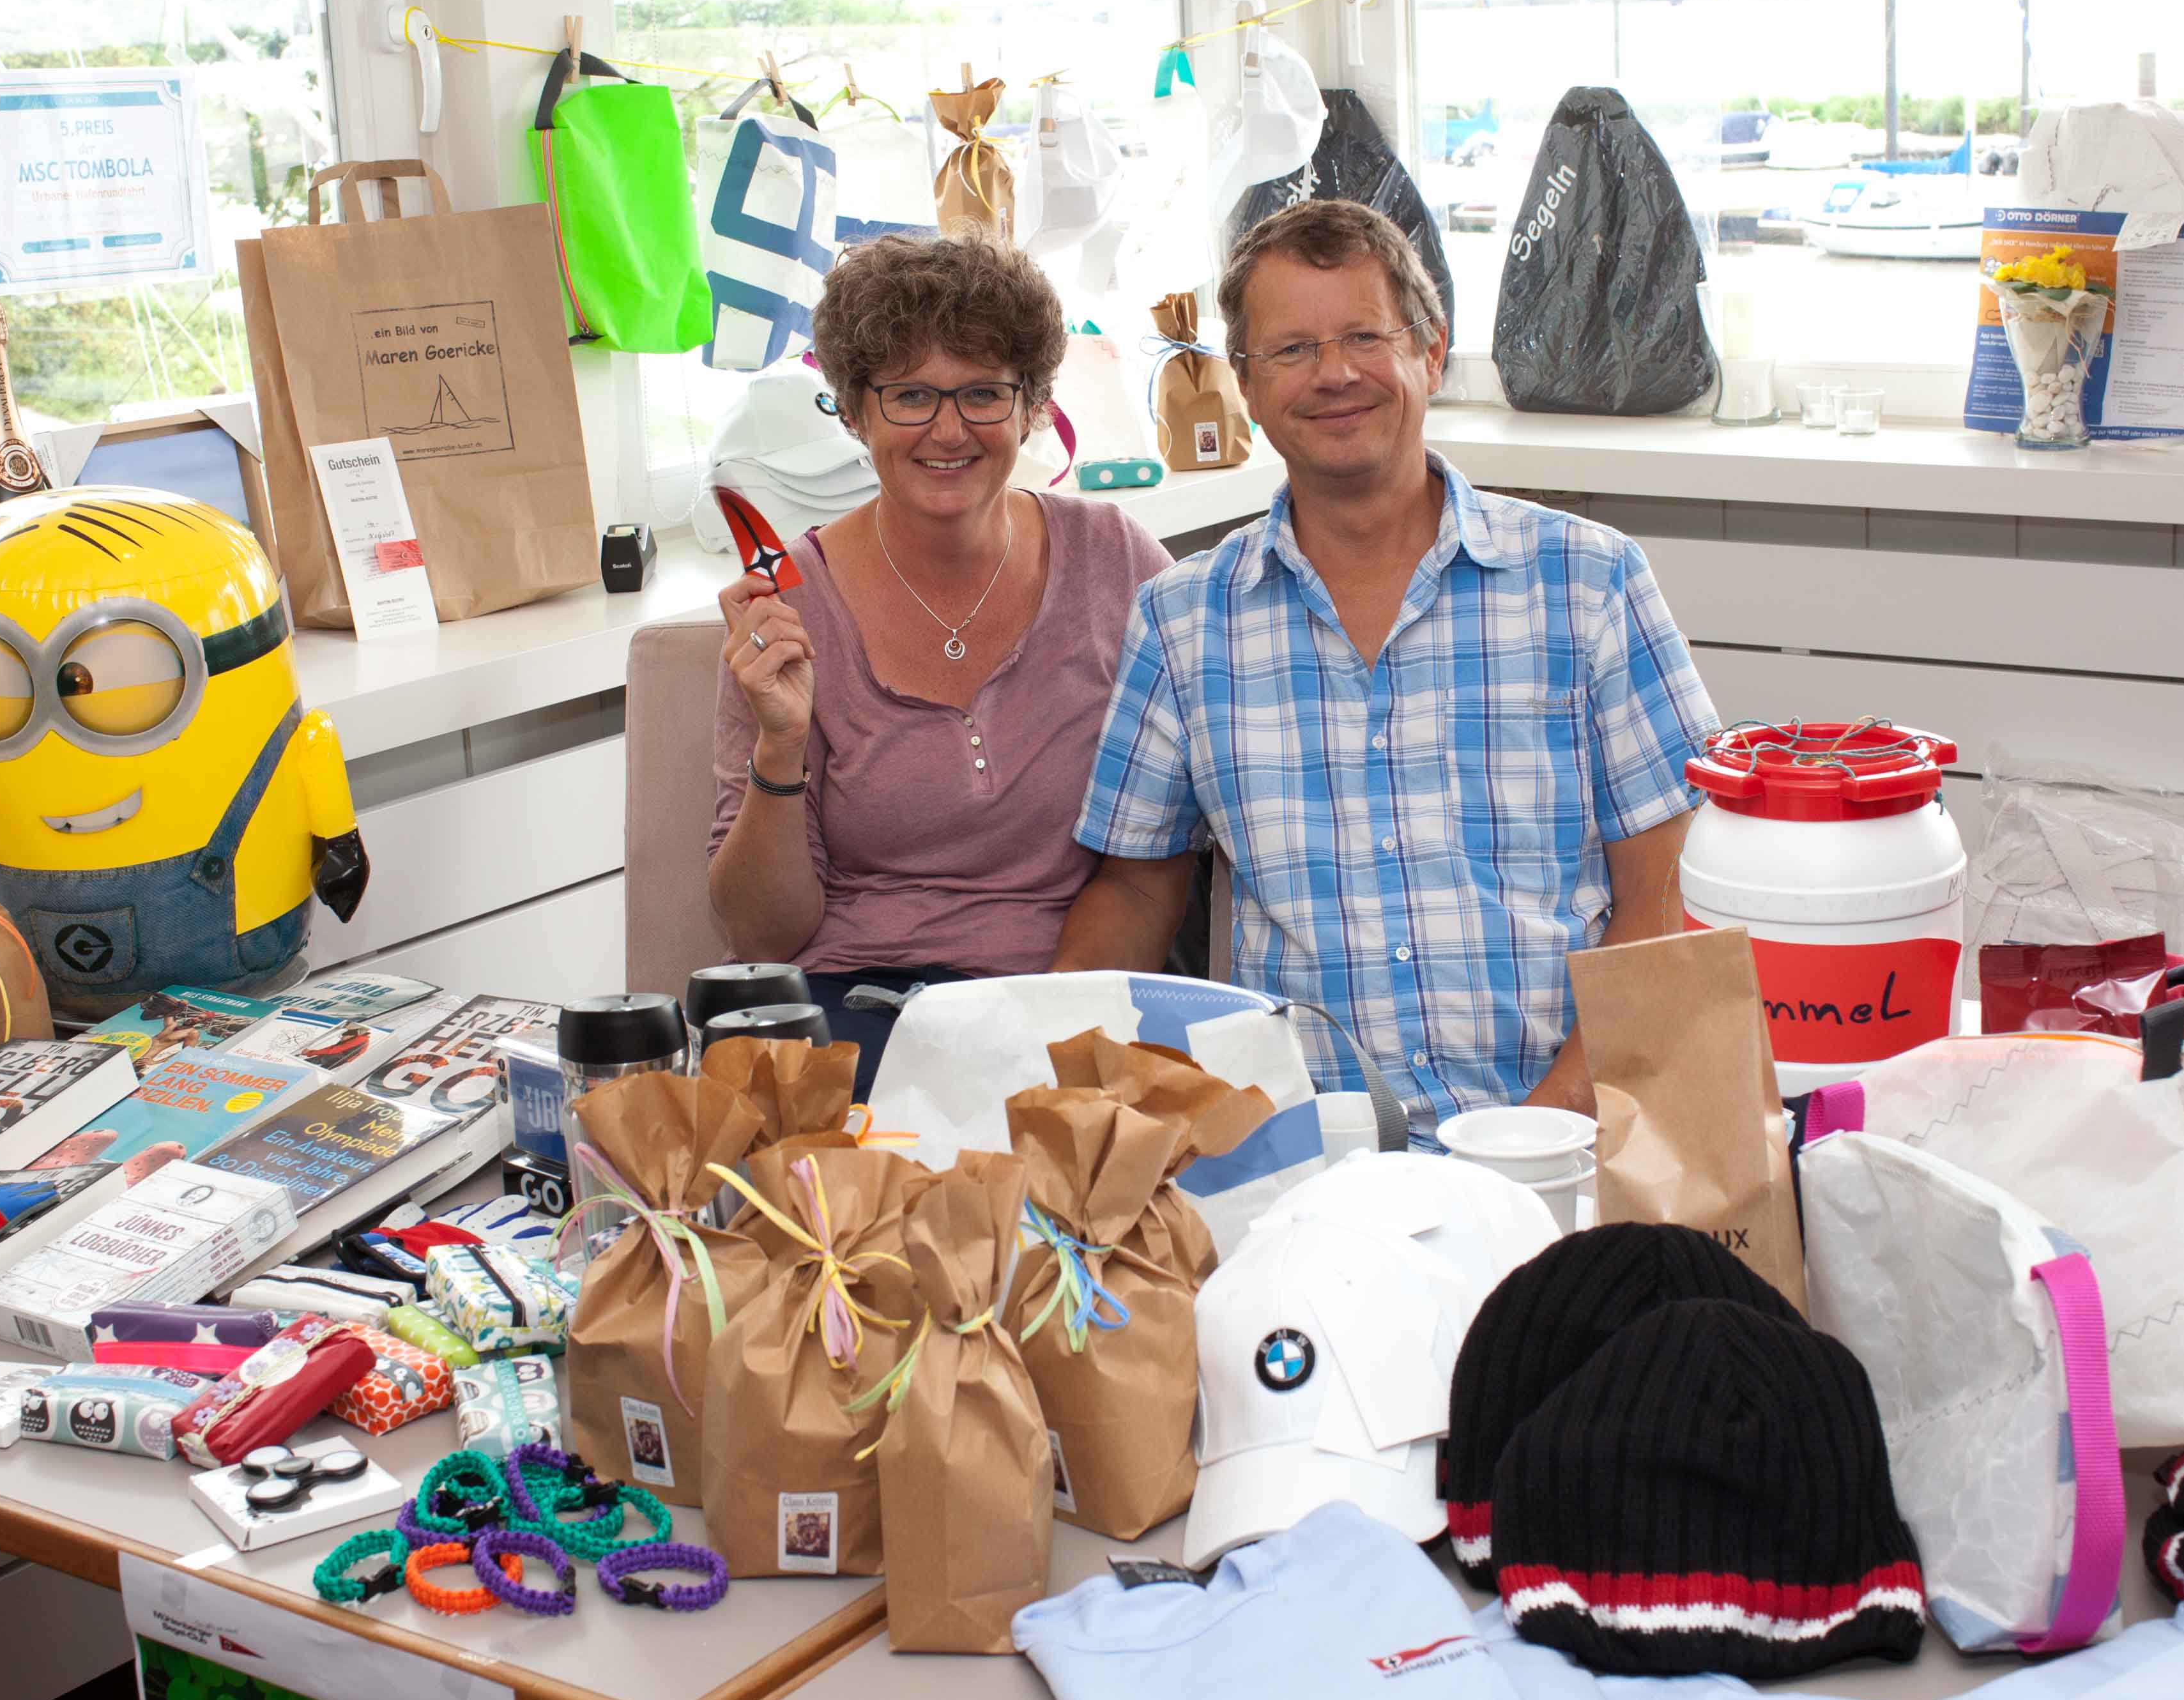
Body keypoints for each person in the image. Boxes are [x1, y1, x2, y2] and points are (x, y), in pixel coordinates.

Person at [1055, 199, 1717, 1140]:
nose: (1334, 374)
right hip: (1313, 1149)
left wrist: (1539, 1132)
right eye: (1292, 350)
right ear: (1245, 384)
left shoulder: (1589, 579)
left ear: (1432, 352)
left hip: (1575, 1127)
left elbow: (1670, 885)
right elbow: (1133, 892)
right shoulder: (1183, 620)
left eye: (1366, 336)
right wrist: (1042, 1061)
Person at [710, 233, 1173, 1092]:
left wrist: (1055, 1034)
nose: (949, 430)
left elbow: (1165, 853)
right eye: (911, 395)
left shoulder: (1118, 562)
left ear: (1034, 406)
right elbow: (762, 936)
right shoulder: (788, 606)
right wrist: (779, 744)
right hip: (851, 1011)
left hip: (1055, 1004)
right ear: (855, 411)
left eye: (984, 393)